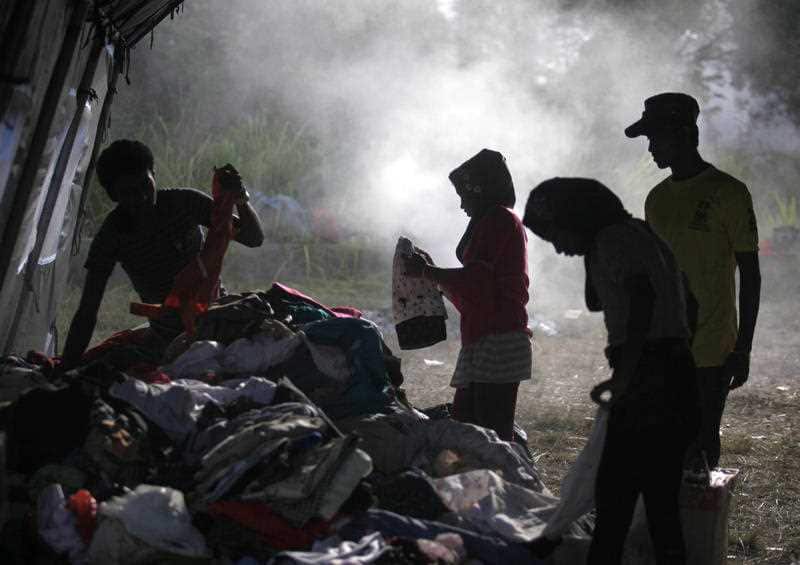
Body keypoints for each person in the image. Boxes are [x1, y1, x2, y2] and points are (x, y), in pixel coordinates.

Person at [523, 177, 699, 565]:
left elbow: (641, 298)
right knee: (660, 505)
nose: (558, 248)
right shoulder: (640, 235)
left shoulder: (613, 241)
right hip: (677, 375)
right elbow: (600, 301)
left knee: (614, 502)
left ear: (578, 218)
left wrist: (627, 375)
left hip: (647, 382)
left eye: (556, 235)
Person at [625, 92, 761, 470]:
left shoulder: (728, 193)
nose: (650, 148)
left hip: (710, 347)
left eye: (656, 138)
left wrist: (743, 347)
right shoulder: (656, 199)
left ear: (684, 134)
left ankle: (697, 526)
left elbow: (750, 274)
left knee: (700, 443)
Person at [61, 139, 264, 368]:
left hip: (217, 314)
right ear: (113, 196)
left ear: (154, 175)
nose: (141, 198)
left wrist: (240, 198)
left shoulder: (184, 203)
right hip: (168, 337)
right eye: (128, 192)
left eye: (145, 186)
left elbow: (253, 238)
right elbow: (88, 309)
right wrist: (66, 366)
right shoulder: (111, 236)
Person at [403, 149, 531, 441]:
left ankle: (508, 482)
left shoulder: (498, 220)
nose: (461, 204)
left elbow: (477, 283)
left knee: (490, 435)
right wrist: (431, 273)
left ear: (481, 190)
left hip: (497, 340)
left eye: (465, 195)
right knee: (470, 430)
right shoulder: (496, 220)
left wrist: (429, 273)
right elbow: (475, 291)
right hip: (487, 338)